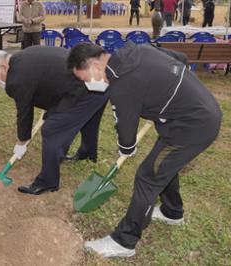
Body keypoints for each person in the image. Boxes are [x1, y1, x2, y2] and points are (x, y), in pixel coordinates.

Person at [67, 42, 222, 257]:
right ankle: (172, 212)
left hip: (191, 127)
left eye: (85, 79)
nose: (88, 85)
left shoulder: (122, 85)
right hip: (193, 116)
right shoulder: (138, 49)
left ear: (95, 65)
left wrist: (126, 148)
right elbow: (180, 59)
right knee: (163, 166)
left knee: (147, 177)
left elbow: (126, 129)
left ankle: (124, 241)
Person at [0, 46, 109, 195]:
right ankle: (87, 153)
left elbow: (24, 111)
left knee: (51, 129)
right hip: (101, 83)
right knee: (88, 118)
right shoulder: (23, 55)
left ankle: (47, 181)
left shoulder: (15, 80)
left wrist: (22, 141)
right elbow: (47, 80)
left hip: (85, 89)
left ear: (3, 67)